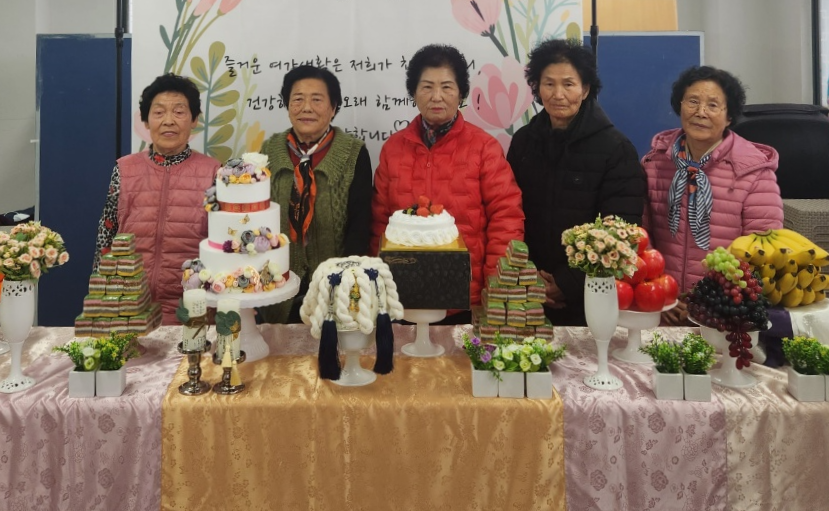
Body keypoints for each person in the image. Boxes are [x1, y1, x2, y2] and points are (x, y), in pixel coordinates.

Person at [371, 44, 525, 314]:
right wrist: (378, 282)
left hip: (466, 298)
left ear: (461, 93)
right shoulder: (393, 149)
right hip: (402, 295)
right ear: (413, 92)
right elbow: (379, 223)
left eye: (446, 87)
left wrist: (496, 287)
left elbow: (506, 219)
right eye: (427, 87)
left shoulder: (484, 148)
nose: (436, 96)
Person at [507, 39, 647, 326]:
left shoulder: (616, 149)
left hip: (589, 295)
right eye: (549, 84)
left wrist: (567, 282)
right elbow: (509, 213)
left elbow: (621, 230)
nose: (558, 94)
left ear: (585, 89)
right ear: (537, 87)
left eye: (568, 84)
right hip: (527, 291)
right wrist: (527, 275)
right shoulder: (523, 142)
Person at [641, 66, 783, 325]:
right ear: (680, 106)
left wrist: (709, 300)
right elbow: (639, 235)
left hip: (723, 312)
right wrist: (658, 290)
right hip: (661, 306)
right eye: (693, 101)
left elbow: (761, 253)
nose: (701, 112)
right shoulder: (655, 163)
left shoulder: (754, 171)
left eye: (713, 105)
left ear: (729, 116)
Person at [93, 74, 221, 325]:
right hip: (130, 310)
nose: (168, 121)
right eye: (159, 112)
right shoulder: (124, 169)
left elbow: (223, 245)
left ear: (194, 120)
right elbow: (106, 235)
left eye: (179, 112)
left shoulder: (214, 172)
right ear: (146, 121)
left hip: (192, 311)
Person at [257, 65, 372, 323]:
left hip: (335, 291)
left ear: (333, 108)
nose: (306, 108)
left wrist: (345, 283)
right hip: (277, 288)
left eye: (317, 100)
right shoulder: (269, 150)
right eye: (298, 99)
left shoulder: (353, 153)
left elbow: (360, 227)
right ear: (288, 105)